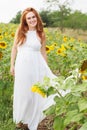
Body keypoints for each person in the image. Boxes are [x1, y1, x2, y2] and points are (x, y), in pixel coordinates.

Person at [10, 7, 56, 130]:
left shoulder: (41, 33)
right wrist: (12, 65)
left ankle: (33, 119)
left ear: (37, 18)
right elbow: (14, 48)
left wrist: (46, 68)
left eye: (33, 17)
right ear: (25, 20)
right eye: (29, 18)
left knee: (36, 93)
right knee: (24, 92)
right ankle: (22, 118)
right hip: (22, 66)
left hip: (37, 66)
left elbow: (43, 52)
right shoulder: (20, 31)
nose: (32, 19)